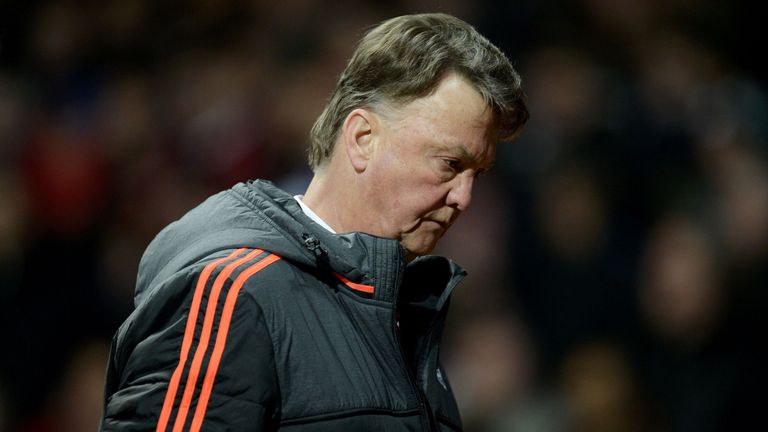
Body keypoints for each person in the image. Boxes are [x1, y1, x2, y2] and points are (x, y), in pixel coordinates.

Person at [100, 12, 528, 431]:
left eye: (478, 174)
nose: (464, 198)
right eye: (451, 164)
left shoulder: (407, 314)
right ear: (363, 139)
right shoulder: (235, 292)